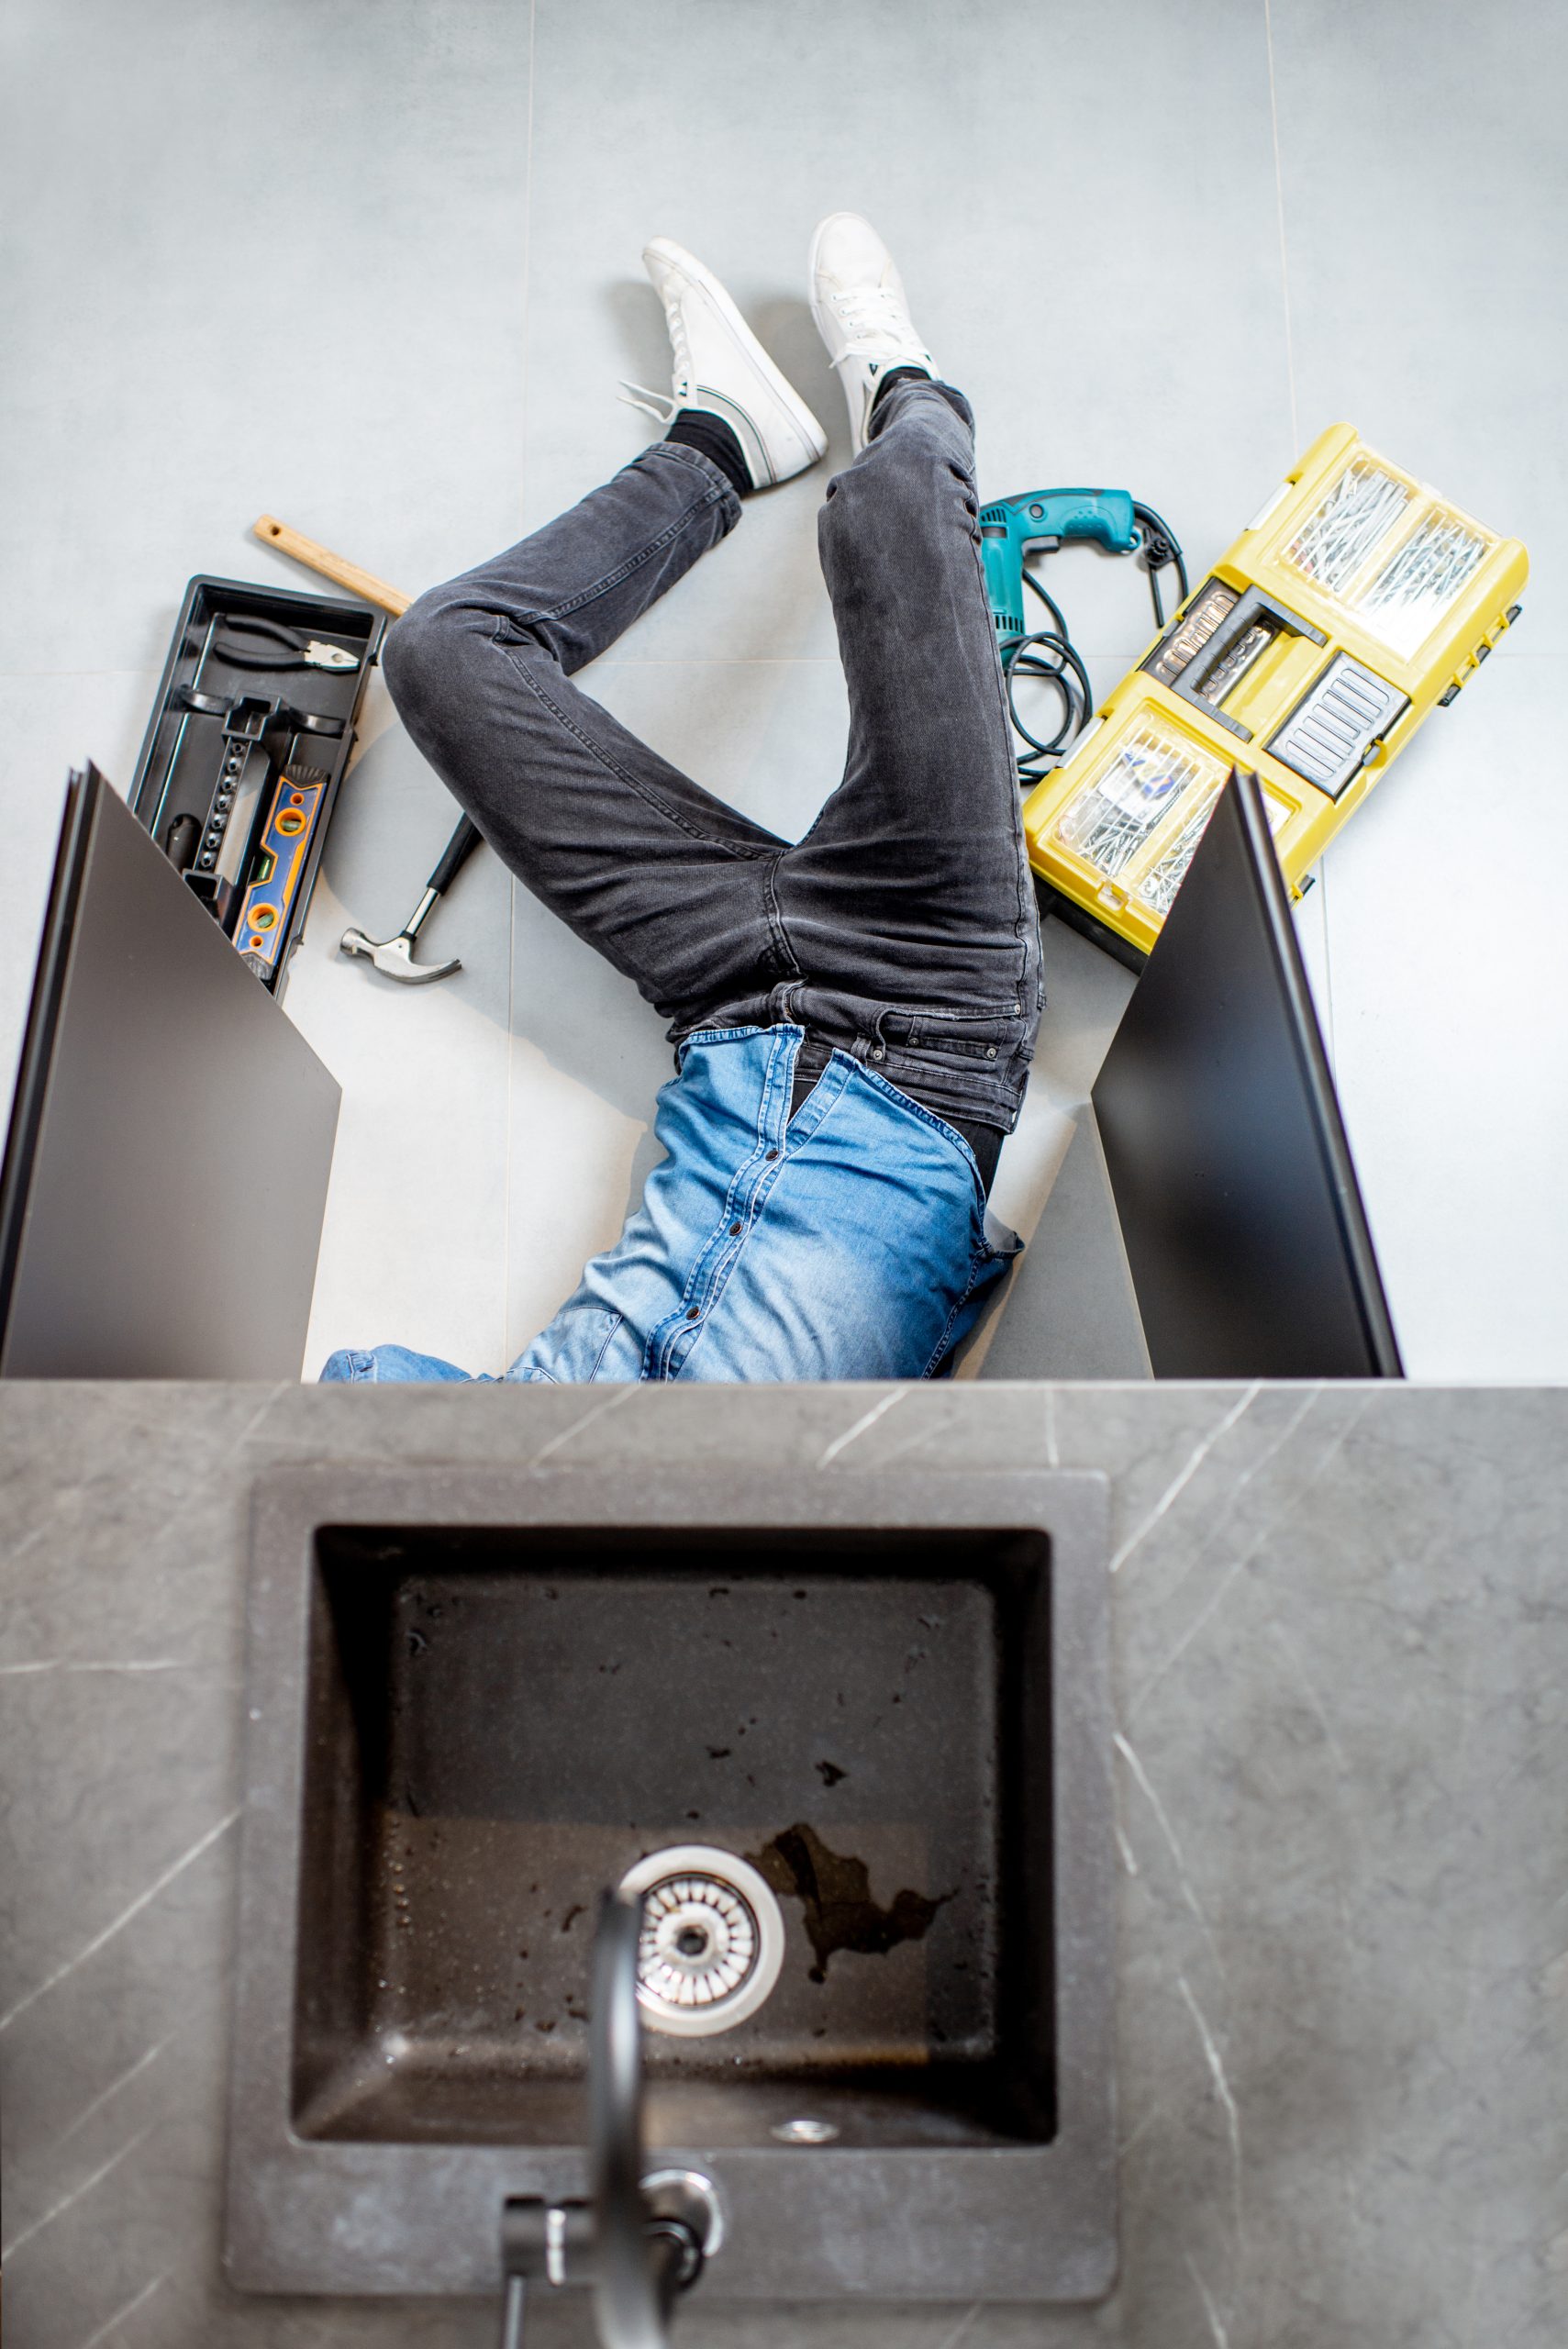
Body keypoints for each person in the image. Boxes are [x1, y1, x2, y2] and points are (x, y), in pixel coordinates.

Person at [320, 214, 1043, 1386]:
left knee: (442, 654)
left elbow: (364, 1382)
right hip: (930, 1010)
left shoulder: (495, 1491)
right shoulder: (769, 1528)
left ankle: (719, 443)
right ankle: (899, 382)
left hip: (722, 996)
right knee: (895, 505)